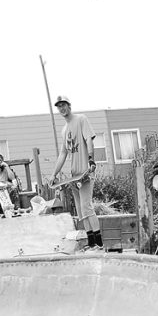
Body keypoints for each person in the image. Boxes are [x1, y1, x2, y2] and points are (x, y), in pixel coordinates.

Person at [49, 95, 102, 251]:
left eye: (64, 105)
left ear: (69, 106)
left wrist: (91, 160)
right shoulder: (64, 130)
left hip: (85, 171)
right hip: (74, 175)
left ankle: (99, 244)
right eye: (59, 106)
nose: (62, 108)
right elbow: (63, 154)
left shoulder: (81, 119)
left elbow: (89, 141)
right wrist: (53, 174)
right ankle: (91, 243)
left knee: (87, 206)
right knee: (81, 211)